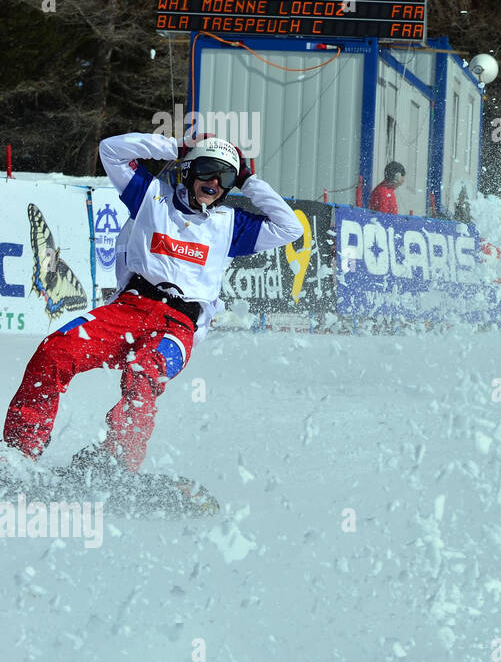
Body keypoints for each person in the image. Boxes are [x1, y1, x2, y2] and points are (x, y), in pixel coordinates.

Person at [3, 132, 302, 486]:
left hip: (177, 327)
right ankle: (20, 452)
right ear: (188, 170)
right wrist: (173, 148)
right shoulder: (151, 197)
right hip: (130, 309)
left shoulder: (228, 224)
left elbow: (290, 227)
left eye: (224, 178)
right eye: (207, 171)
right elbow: (110, 151)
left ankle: (117, 465)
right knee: (54, 351)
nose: (214, 183)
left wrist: (249, 180)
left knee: (143, 373)